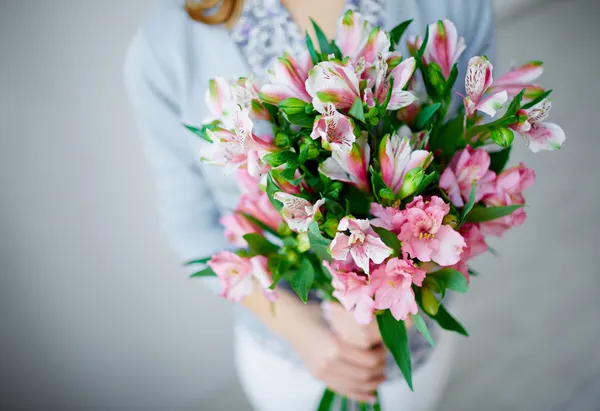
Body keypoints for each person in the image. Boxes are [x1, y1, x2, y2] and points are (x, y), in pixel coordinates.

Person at [124, 0, 496, 409]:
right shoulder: (165, 45)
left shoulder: (455, 5)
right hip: (289, 359)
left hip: (406, 343)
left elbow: (477, 157)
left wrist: (399, 296)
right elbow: (190, 226)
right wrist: (298, 327)